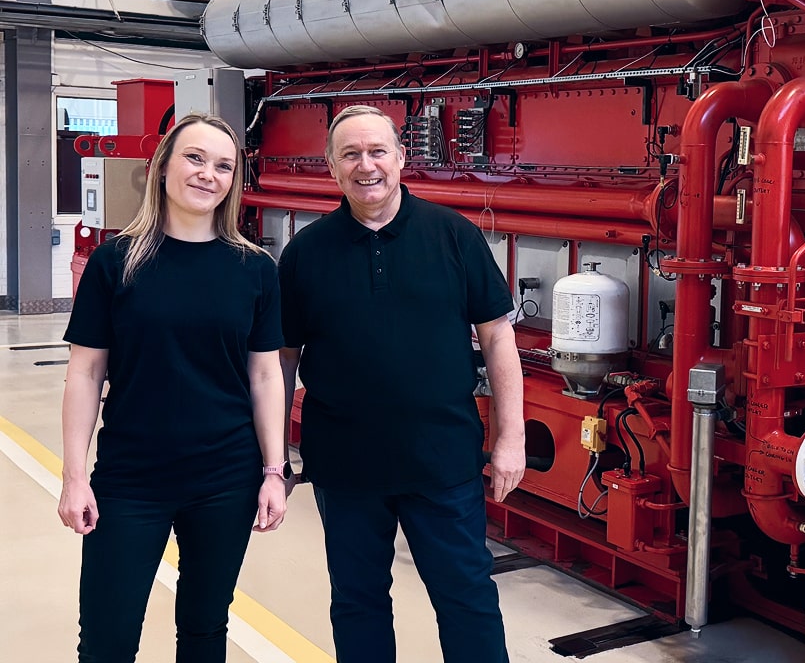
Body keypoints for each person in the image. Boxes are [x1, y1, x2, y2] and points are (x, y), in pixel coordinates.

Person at [278, 104, 526, 663]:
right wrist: (273, 458)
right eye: (351, 154)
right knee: (358, 600)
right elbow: (283, 359)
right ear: (331, 167)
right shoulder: (304, 254)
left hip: (441, 462)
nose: (366, 166)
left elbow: (497, 339)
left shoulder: (455, 237)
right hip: (344, 467)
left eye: (377, 151)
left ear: (401, 157)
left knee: (466, 597)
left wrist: (511, 439)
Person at [57, 113, 288, 663]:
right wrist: (73, 476)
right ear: (162, 166)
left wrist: (274, 472)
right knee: (108, 638)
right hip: (131, 480)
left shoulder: (255, 269)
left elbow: (265, 374)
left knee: (206, 631)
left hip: (225, 480)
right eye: (195, 158)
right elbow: (85, 373)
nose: (208, 174)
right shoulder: (117, 262)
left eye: (224, 165)